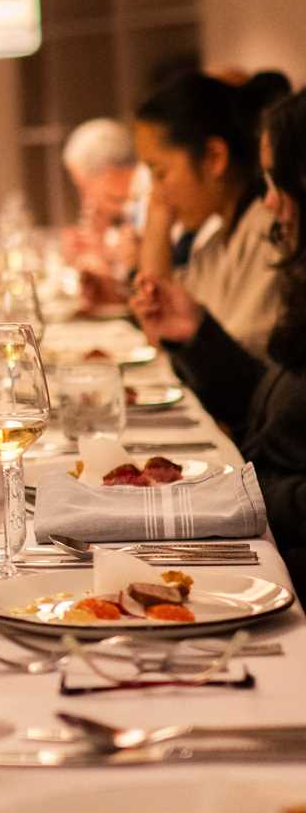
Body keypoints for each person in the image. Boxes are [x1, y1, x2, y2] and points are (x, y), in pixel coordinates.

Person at [130, 87, 306, 582]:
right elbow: (270, 413)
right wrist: (197, 332)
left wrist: (238, 491)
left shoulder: (267, 243)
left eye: (279, 182)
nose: (270, 203)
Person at [133, 70, 290, 357]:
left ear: (215, 158)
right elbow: (165, 334)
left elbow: (241, 362)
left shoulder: (271, 231)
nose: (156, 194)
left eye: (160, 173)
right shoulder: (216, 240)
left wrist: (157, 219)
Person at [60, 117, 141, 288]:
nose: (84, 197)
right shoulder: (123, 209)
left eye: (81, 185)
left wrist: (103, 256)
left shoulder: (147, 202)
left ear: (109, 173)